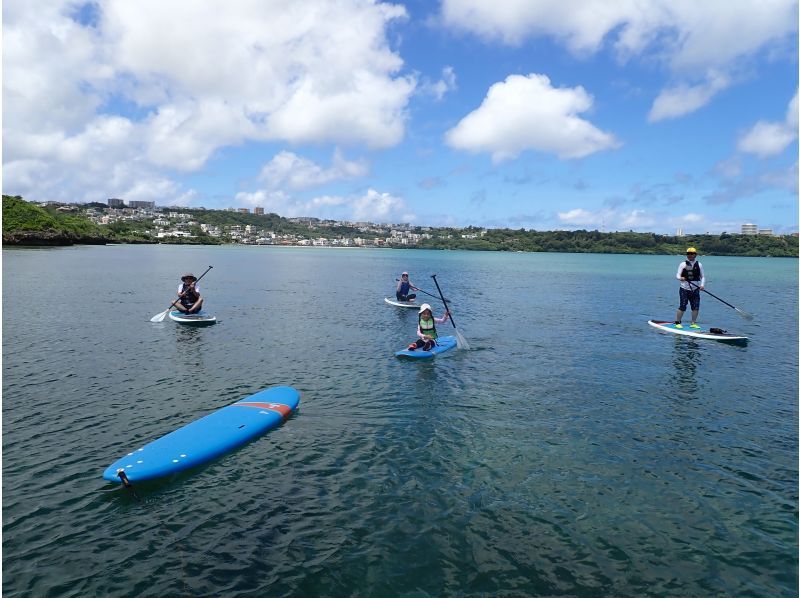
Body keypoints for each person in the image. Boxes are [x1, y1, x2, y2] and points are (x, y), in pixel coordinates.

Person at [675, 247, 705, 329]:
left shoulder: (699, 265)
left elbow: (703, 277)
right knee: (683, 306)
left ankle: (693, 323)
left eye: (692, 254)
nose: (690, 255)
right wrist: (680, 278)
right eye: (688, 254)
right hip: (684, 289)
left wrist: (702, 285)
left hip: (695, 289)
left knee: (695, 307)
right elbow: (677, 275)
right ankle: (678, 322)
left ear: (695, 255)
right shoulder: (683, 264)